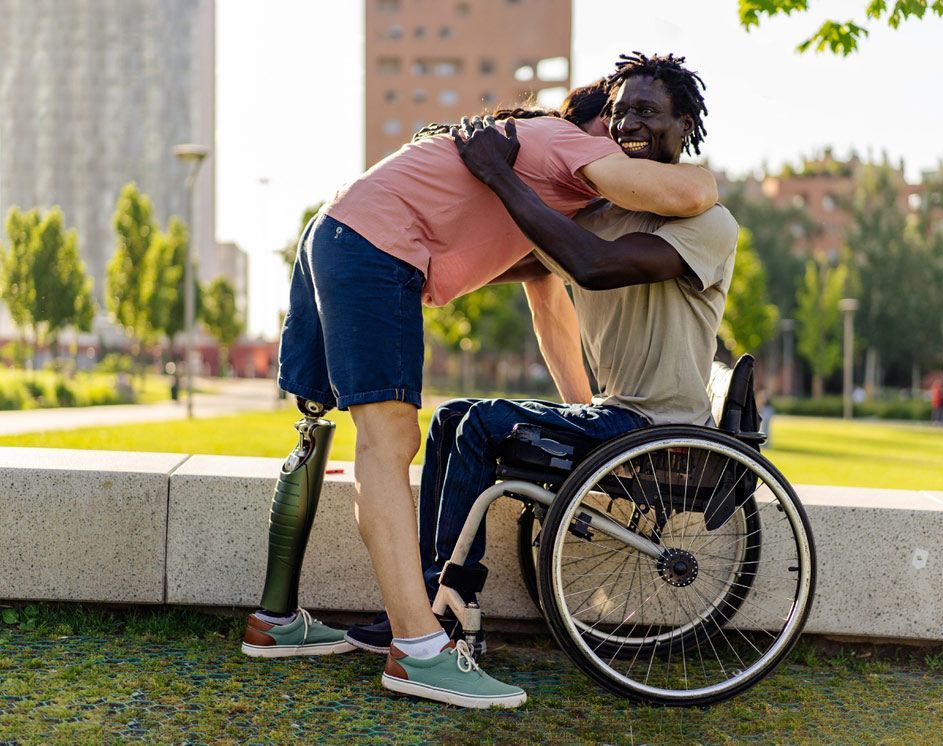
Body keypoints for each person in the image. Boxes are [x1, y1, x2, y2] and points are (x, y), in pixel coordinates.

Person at [241, 63, 719, 709]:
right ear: (589, 131)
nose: (621, 141)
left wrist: (587, 421)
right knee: (387, 444)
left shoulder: (540, 183)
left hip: (335, 231)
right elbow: (689, 192)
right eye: (614, 123)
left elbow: (549, 306)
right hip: (375, 245)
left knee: (316, 425)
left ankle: (275, 619)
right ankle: (419, 649)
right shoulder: (565, 144)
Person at [347, 52, 740, 656]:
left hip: (657, 424)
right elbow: (511, 259)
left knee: (477, 423)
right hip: (614, 414)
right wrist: (411, 245)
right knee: (453, 418)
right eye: (620, 112)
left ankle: (448, 606)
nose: (628, 124)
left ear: (684, 123)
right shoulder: (596, 215)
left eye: (647, 111)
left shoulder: (707, 222)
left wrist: (501, 176)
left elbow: (593, 266)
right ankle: (430, 603)